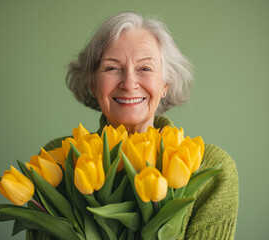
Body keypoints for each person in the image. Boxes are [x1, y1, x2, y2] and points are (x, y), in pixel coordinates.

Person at [34, 11, 238, 240]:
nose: (129, 83)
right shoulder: (58, 160)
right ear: (93, 83)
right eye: (111, 68)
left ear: (165, 85)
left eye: (145, 68)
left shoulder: (211, 167)